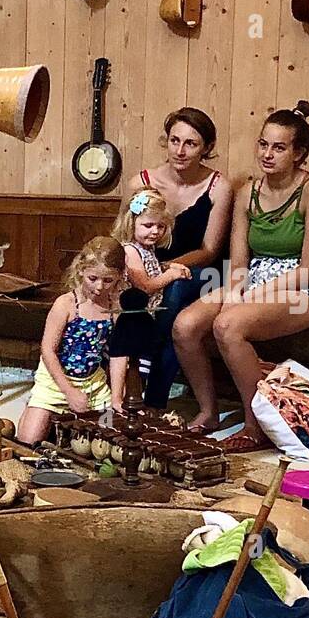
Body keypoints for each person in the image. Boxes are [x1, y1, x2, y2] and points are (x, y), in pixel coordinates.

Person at [173, 102, 309, 453]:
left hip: (302, 288)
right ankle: (208, 411)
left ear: (298, 153)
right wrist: (233, 290)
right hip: (254, 278)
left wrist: (248, 297)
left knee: (228, 326)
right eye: (263, 144)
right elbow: (240, 262)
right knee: (186, 325)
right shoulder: (248, 192)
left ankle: (254, 424)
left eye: (279, 147)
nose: (268, 154)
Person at [119, 107, 233, 407]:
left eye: (191, 144)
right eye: (174, 140)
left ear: (206, 148)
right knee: (175, 321)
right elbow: (123, 235)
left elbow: (210, 250)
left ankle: (148, 357)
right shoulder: (140, 183)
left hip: (201, 271)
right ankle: (151, 401)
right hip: (146, 268)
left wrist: (169, 268)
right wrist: (149, 270)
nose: (180, 151)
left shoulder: (218, 186)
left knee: (177, 287)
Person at [17, 236, 126, 445]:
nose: (100, 287)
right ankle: (35, 410)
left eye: (108, 280)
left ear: (120, 276)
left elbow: (118, 354)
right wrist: (69, 391)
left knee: (109, 440)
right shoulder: (66, 304)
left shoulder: (116, 307)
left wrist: (116, 399)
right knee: (28, 440)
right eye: (93, 278)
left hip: (93, 383)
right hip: (55, 382)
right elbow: (47, 350)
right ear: (81, 270)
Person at [107, 189, 191, 408]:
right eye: (148, 226)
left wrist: (168, 266)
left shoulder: (147, 249)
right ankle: (127, 401)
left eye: (160, 226)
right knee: (133, 365)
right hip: (133, 316)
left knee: (159, 355)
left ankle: (148, 402)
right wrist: (171, 275)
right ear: (131, 223)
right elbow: (145, 285)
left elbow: (152, 269)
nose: (155, 231)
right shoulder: (129, 251)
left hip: (151, 314)